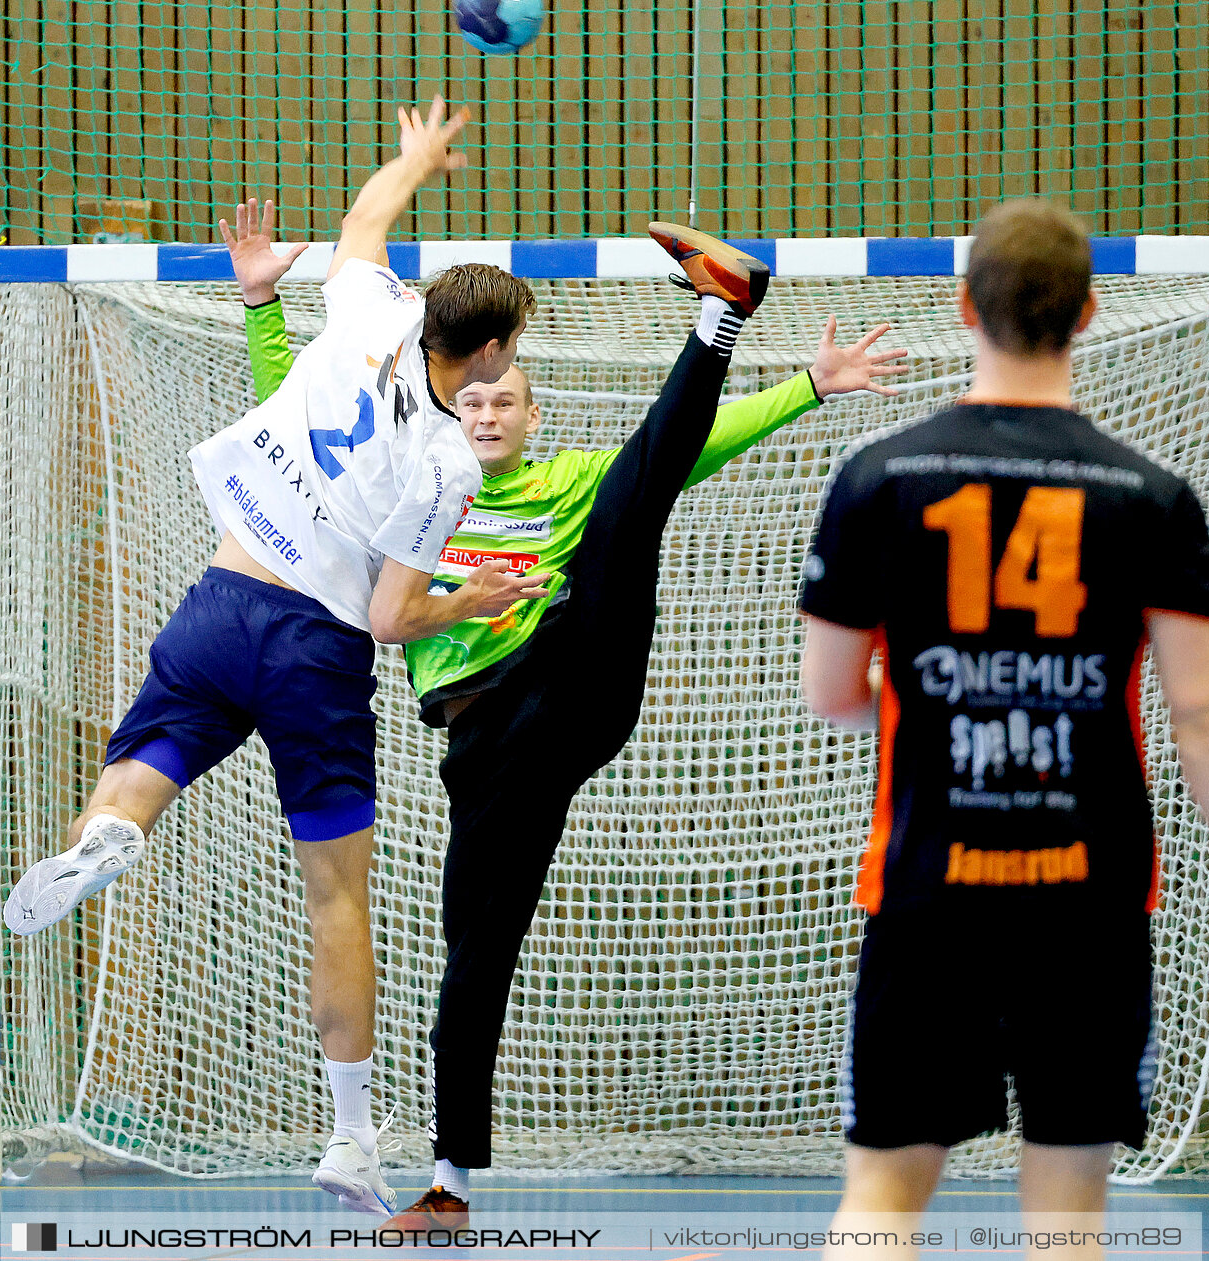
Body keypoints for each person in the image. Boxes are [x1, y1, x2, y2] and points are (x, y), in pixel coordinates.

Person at [235, 220, 907, 1223]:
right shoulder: (407, 496)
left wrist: (808, 387)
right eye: (473, 399)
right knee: (476, 954)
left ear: (531, 415)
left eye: (507, 398)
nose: (490, 410)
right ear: (447, 413)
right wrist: (260, 307)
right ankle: (450, 1185)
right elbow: (301, 439)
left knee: (631, 502)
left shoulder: (568, 482)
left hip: (578, 664)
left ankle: (722, 315)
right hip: (489, 749)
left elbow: (681, 450)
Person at [1, 98, 548, 1218]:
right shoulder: (446, 464)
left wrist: (413, 162)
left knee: (135, 777)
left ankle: (111, 834)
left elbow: (361, 222)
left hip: (219, 599)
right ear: (488, 351)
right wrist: (472, 598)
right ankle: (350, 1143)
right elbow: (395, 616)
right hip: (315, 650)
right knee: (336, 896)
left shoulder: (366, 310)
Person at [797, 199, 1209, 1260]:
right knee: (1069, 1220)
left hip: (929, 884)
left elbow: (833, 692)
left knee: (885, 1193)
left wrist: (945, 690)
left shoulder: (877, 481)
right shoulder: (1150, 497)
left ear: (960, 306)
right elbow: (1205, 711)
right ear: (1085, 314)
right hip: (1089, 898)